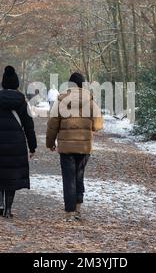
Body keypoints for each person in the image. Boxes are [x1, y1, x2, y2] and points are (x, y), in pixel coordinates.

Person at [46, 73, 103, 222]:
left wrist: (50, 143)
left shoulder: (61, 101)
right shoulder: (91, 102)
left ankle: (69, 212)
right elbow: (98, 125)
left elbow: (52, 124)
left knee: (68, 178)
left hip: (66, 147)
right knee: (79, 176)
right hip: (84, 146)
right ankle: (78, 208)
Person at [0, 66, 37, 218]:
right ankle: (8, 209)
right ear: (17, 84)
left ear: (3, 83)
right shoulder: (22, 102)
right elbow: (29, 126)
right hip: (16, 144)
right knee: (12, 176)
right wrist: (32, 147)